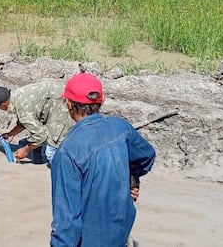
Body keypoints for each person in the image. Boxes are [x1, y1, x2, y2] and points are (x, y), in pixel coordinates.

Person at [50, 73, 156, 247]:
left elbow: (66, 223)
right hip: (121, 231)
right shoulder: (120, 127)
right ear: (102, 100)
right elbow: (147, 155)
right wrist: (132, 178)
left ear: (68, 104)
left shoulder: (67, 152)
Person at [0, 81, 74, 162]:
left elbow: (40, 136)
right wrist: (11, 134)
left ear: (4, 105)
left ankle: (67, 174)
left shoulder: (23, 109)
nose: (0, 110)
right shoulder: (17, 96)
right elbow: (25, 121)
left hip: (62, 104)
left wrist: (25, 150)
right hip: (57, 98)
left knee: (51, 152)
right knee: (37, 139)